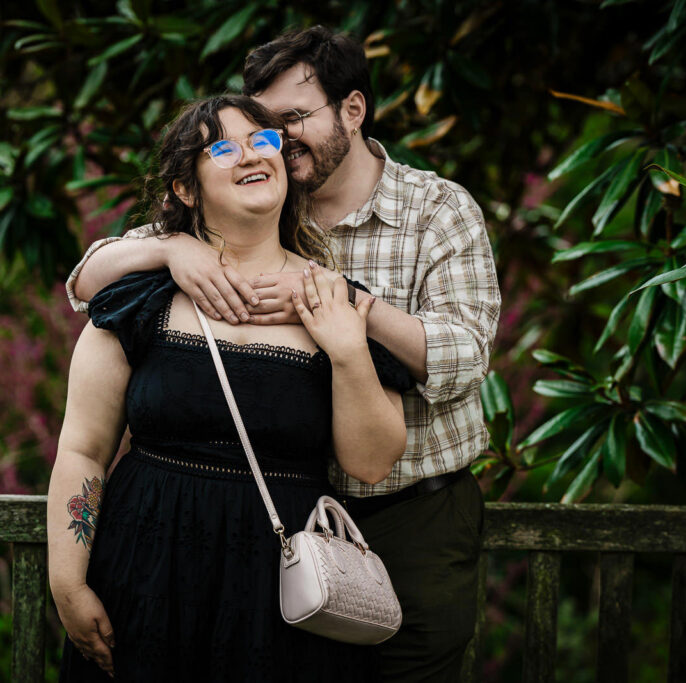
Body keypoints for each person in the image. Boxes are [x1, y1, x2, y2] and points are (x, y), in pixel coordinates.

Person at [66, 27, 501, 682]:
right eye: (264, 127)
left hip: (409, 512)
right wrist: (168, 249)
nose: (275, 141)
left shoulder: (434, 211)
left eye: (289, 121)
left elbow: (465, 357)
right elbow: (87, 282)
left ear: (352, 110)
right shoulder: (216, 229)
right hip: (200, 546)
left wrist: (349, 312)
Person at [48, 94, 411, 681]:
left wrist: (346, 348)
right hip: (145, 572)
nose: (249, 155)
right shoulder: (140, 299)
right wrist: (67, 582)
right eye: (222, 147)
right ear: (186, 189)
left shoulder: (336, 300)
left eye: (263, 141)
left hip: (284, 590)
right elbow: (83, 449)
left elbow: (371, 464)